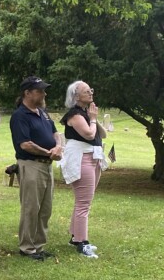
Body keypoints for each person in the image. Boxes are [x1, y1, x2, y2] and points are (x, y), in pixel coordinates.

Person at [9, 75, 63, 260]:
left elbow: (56, 133)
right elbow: (25, 144)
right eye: (40, 90)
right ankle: (27, 248)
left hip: (47, 166)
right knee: (31, 208)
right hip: (31, 166)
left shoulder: (43, 113)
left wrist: (58, 146)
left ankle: (38, 246)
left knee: (45, 209)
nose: (44, 93)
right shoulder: (20, 116)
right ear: (27, 93)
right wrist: (49, 153)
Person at [60, 80, 108, 257]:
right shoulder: (74, 115)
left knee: (83, 201)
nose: (91, 93)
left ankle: (75, 237)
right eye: (87, 91)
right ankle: (82, 242)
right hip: (82, 159)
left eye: (91, 90)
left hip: (93, 157)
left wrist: (93, 118)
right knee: (83, 203)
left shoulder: (86, 113)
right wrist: (93, 120)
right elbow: (88, 133)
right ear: (76, 96)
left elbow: (102, 134)